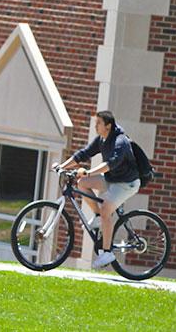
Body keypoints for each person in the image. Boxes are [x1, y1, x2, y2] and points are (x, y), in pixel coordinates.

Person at [52, 111, 151, 268]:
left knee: (106, 209)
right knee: (82, 183)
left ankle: (107, 253)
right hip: (112, 179)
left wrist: (89, 172)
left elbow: (110, 164)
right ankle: (98, 216)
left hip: (126, 183)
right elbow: (83, 154)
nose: (95, 126)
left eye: (98, 123)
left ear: (108, 126)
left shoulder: (120, 142)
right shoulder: (102, 139)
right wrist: (62, 166)